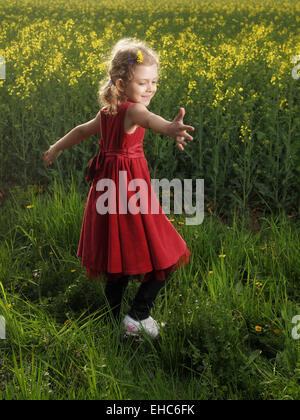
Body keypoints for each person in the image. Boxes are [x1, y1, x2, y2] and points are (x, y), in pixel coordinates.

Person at [43, 37, 194, 339]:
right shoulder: (132, 110)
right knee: (166, 248)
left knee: (118, 253)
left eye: (154, 82)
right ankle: (137, 315)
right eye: (143, 82)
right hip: (130, 193)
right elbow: (152, 121)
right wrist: (171, 128)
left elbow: (81, 131)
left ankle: (116, 321)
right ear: (120, 83)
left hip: (107, 192)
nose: (150, 88)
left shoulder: (107, 113)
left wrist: (56, 147)